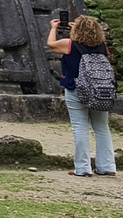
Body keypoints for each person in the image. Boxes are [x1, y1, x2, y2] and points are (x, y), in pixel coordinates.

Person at [46, 14, 117, 177]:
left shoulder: (69, 45)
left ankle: (83, 168)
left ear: (76, 30)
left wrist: (54, 28)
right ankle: (107, 166)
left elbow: (51, 45)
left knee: (80, 127)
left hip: (75, 88)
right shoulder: (102, 46)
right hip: (100, 91)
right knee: (102, 128)